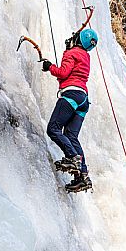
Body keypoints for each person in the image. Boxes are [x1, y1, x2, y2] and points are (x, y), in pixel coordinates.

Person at [42, 28, 98, 192]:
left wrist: (49, 66)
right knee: (71, 136)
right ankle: (83, 176)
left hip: (71, 94)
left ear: (79, 40)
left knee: (53, 129)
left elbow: (63, 72)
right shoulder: (86, 56)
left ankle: (73, 158)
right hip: (83, 100)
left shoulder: (71, 53)